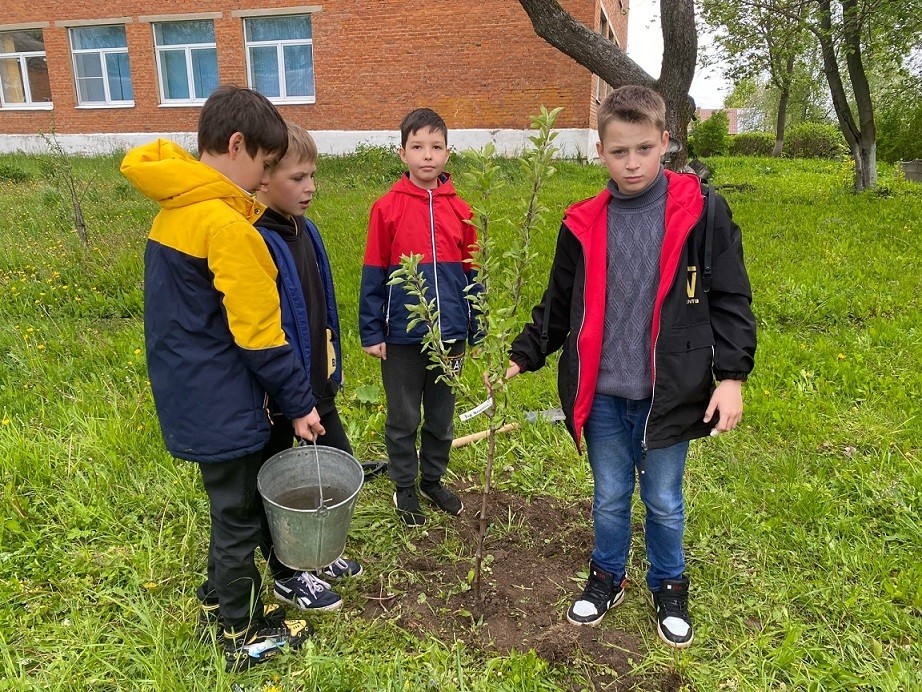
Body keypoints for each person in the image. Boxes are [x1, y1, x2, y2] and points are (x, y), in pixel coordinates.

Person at [502, 85, 756, 648]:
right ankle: (606, 575)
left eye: (644, 148)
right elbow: (560, 302)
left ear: (665, 142)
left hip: (672, 390)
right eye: (620, 152)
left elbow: (732, 297)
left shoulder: (701, 212)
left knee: (664, 499)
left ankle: (669, 583)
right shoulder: (583, 222)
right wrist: (525, 354)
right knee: (610, 494)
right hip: (604, 391)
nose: (633, 163)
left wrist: (732, 378)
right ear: (600, 151)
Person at [121, 85, 318, 671]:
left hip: (191, 392)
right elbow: (261, 333)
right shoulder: (225, 226)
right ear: (237, 145)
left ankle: (218, 595)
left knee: (227, 503)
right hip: (223, 399)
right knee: (239, 515)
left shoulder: (174, 210)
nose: (263, 180)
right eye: (262, 165)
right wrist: (300, 403)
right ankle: (238, 631)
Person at [254, 122, 362, 613]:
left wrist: (329, 368)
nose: (310, 187)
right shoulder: (258, 238)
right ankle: (288, 572)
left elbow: (318, 308)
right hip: (280, 396)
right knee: (284, 484)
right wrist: (291, 393)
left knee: (335, 462)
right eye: (297, 178)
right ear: (263, 177)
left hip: (316, 382)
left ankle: (318, 554)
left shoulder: (306, 230)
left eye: (313, 176)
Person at [359, 108, 480, 527]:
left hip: (450, 336)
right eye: (417, 147)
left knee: (442, 415)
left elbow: (472, 272)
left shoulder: (462, 210)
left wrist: (476, 321)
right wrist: (372, 330)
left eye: (436, 147)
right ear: (402, 153)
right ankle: (405, 487)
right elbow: (374, 271)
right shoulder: (386, 209)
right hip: (404, 336)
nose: (427, 156)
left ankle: (432, 479)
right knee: (404, 415)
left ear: (448, 154)